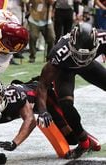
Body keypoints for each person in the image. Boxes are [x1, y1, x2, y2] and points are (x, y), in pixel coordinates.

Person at [36, 22, 105, 159]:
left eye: (85, 55)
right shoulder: (59, 53)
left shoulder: (102, 38)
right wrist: (43, 111)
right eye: (79, 54)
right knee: (66, 105)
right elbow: (43, 84)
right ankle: (84, 142)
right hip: (65, 70)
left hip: (89, 66)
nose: (81, 59)